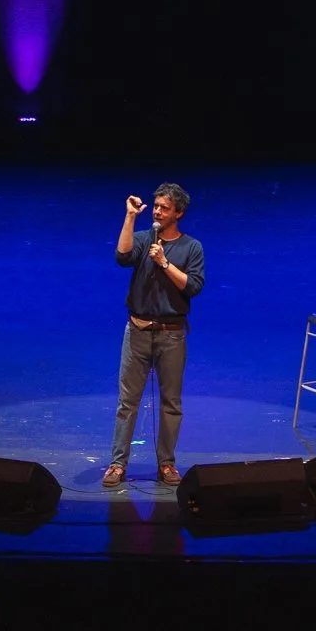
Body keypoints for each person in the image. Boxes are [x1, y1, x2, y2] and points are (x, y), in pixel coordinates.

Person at [104, 182, 205, 486]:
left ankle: (167, 464)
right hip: (137, 331)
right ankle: (118, 464)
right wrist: (130, 217)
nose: (158, 211)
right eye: (156, 205)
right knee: (127, 402)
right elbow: (122, 257)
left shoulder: (192, 247)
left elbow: (193, 286)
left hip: (171, 336)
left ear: (179, 213)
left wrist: (164, 262)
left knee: (171, 403)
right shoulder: (144, 237)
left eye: (164, 208)